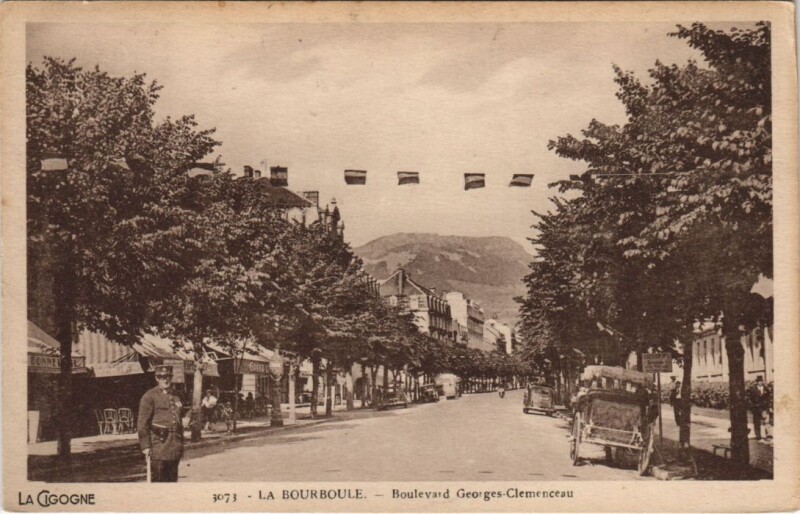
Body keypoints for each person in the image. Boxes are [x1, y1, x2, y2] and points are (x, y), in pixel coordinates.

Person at [138, 365, 184, 482]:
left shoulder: (177, 395)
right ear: (157, 378)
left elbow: (189, 408)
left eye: (168, 376)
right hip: (159, 446)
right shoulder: (149, 396)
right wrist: (146, 445)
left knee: (172, 482)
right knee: (159, 482)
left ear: (171, 377)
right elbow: (142, 423)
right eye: (162, 377)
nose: (165, 380)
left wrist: (187, 417)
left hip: (175, 446)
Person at [747, 376, 772, 441]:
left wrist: (769, 406)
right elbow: (749, 399)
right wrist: (752, 406)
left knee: (766, 421)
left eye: (761, 381)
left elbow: (769, 398)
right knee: (757, 422)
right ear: (757, 382)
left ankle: (769, 435)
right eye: (759, 381)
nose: (760, 382)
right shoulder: (753, 389)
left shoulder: (766, 389)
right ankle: (758, 436)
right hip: (756, 408)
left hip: (764, 408)